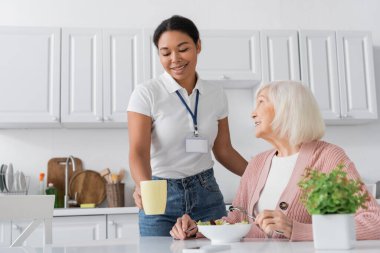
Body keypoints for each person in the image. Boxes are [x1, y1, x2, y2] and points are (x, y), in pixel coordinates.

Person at [170, 80, 380, 241]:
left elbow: (375, 221)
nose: (253, 114)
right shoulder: (257, 163)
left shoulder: (328, 158)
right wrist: (199, 229)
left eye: (261, 102)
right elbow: (235, 221)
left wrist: (297, 230)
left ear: (287, 108)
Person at [127, 15, 248, 236]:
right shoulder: (146, 93)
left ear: (198, 45)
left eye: (183, 49)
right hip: (160, 195)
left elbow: (224, 150)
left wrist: (258, 174)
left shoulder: (216, 94)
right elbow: (138, 151)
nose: (175, 59)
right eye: (165, 53)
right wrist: (144, 186)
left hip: (207, 193)